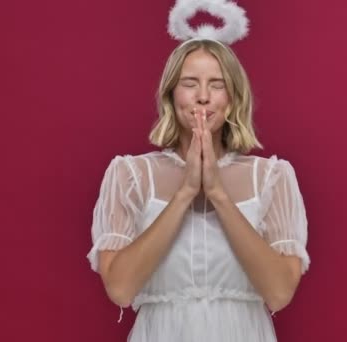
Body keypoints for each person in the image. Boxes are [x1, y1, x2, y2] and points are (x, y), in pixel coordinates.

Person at [87, 2, 310, 341]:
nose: (203, 97)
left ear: (233, 97)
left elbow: (279, 292)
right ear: (170, 94)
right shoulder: (129, 175)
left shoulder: (272, 178)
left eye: (217, 84)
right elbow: (120, 288)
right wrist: (186, 192)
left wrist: (218, 193)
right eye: (190, 82)